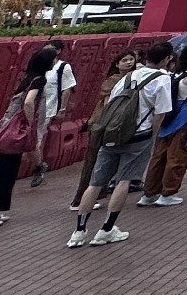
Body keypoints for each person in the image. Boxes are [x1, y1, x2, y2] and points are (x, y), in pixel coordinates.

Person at [68, 39, 173, 248]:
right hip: (139, 136)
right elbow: (161, 112)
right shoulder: (163, 79)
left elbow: (112, 103)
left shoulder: (130, 76)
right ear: (167, 59)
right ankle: (106, 229)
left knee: (95, 183)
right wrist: (152, 135)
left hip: (111, 133)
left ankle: (79, 232)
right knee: (123, 181)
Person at [0, 46, 55, 228]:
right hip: (17, 132)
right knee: (1, 172)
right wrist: (30, 123)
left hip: (10, 132)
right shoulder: (39, 81)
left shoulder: (28, 79)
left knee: (6, 171)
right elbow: (29, 101)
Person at [140, 47, 187, 206]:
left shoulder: (174, 75)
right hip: (183, 118)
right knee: (177, 157)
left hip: (167, 116)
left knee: (158, 157)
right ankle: (168, 194)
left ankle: (149, 193)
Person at [70, 51, 138, 208]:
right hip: (103, 125)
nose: (129, 62)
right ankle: (80, 199)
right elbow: (108, 104)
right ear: (117, 64)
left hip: (109, 125)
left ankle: (95, 196)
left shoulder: (131, 79)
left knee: (103, 162)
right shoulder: (113, 81)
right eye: (124, 60)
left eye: (131, 59)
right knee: (93, 162)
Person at [31, 44, 78, 187]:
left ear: (58, 51)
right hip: (34, 108)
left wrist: (62, 109)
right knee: (34, 139)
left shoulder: (64, 67)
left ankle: (38, 168)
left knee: (36, 139)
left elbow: (67, 88)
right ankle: (38, 165)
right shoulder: (39, 68)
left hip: (48, 108)